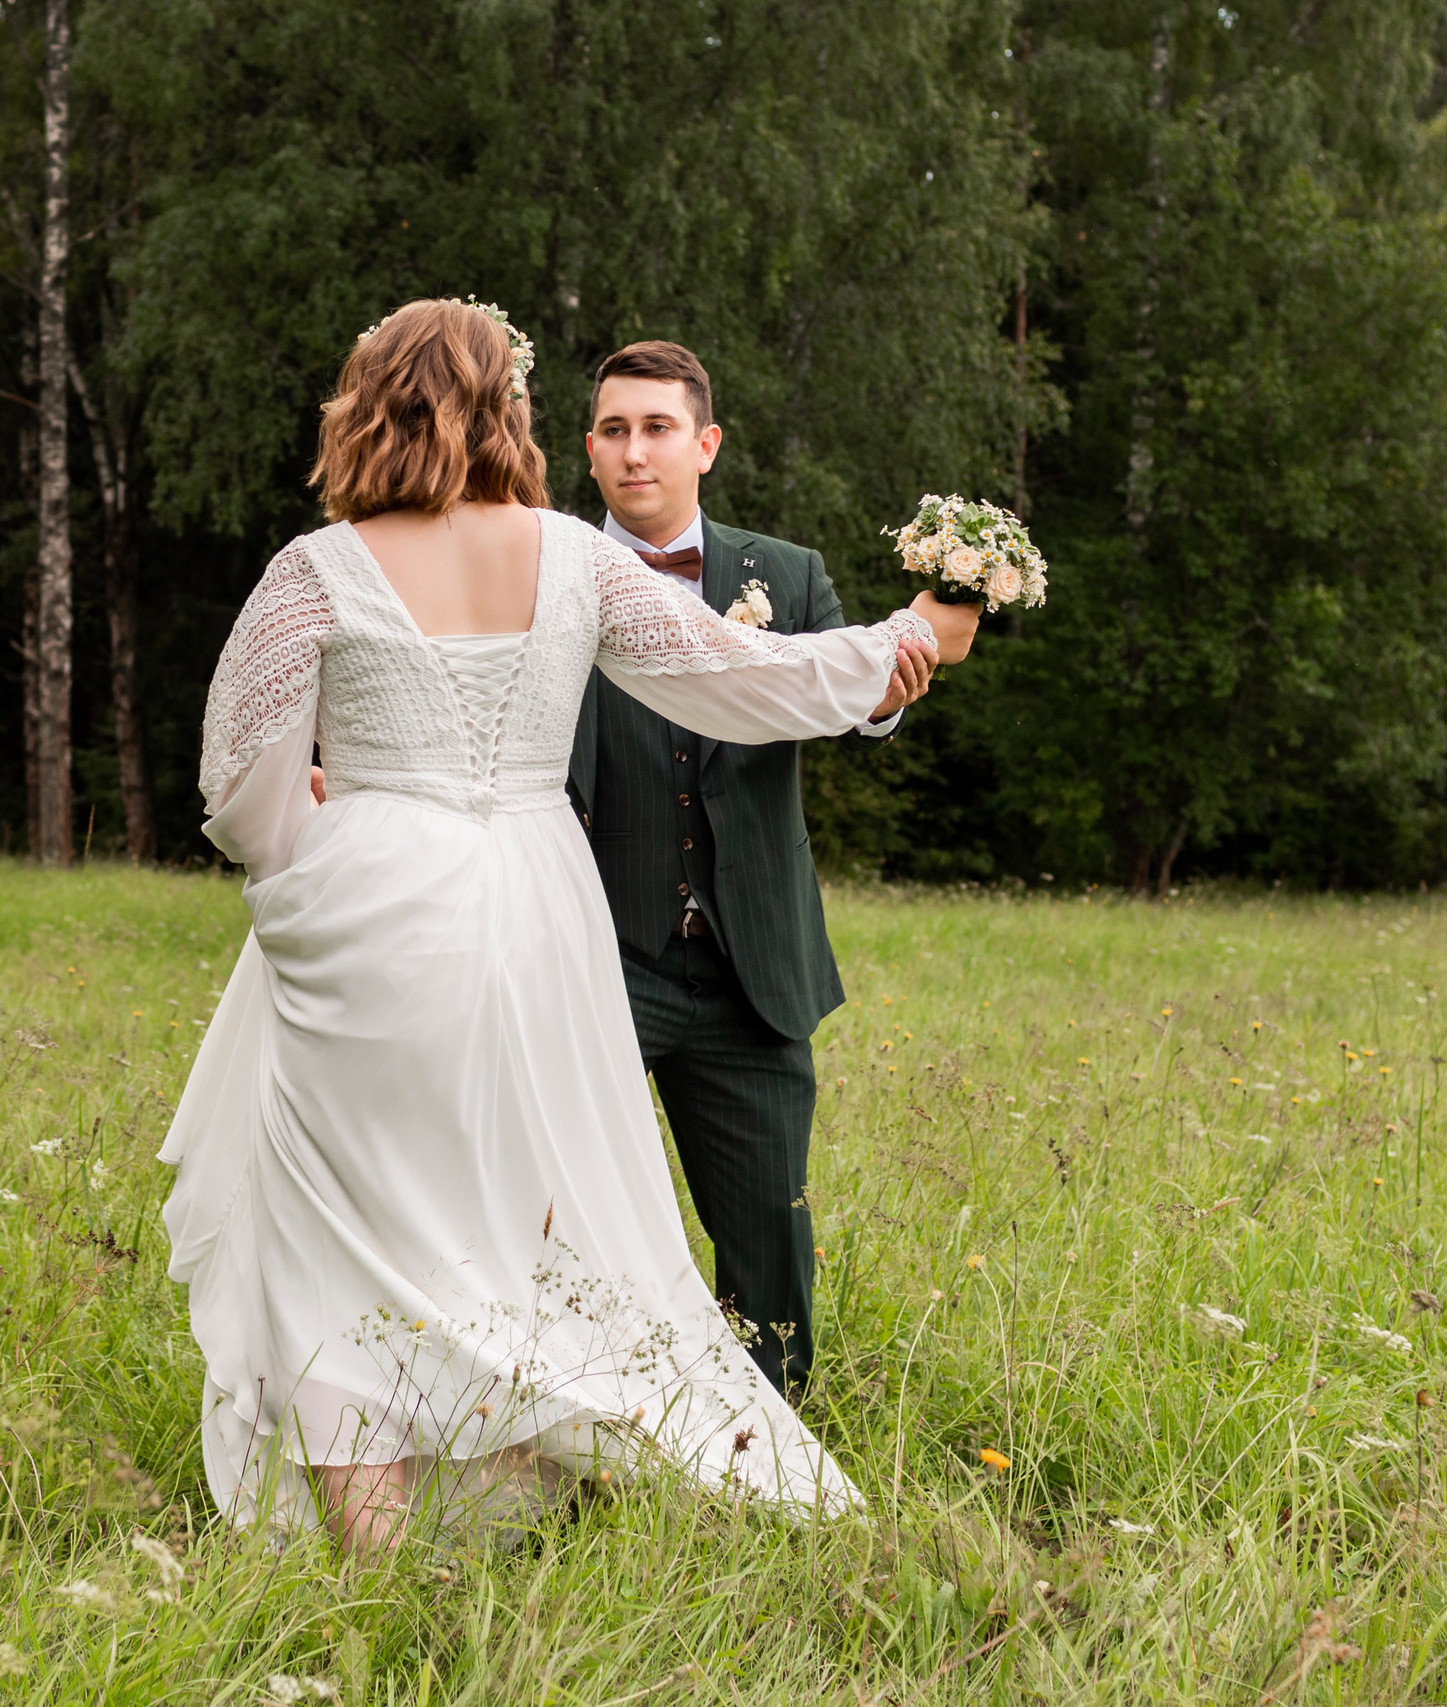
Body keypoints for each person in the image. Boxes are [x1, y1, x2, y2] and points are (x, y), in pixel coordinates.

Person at [157, 298, 972, 1553]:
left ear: (366, 408)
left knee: (340, 1223)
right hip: (543, 905)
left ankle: (377, 1567)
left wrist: (311, 834)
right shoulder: (576, 558)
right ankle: (542, 1474)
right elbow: (745, 680)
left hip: (369, 907)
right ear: (511, 414)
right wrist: (909, 640)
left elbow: (234, 792)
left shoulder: (310, 571)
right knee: (522, 1205)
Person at [569, 342, 981, 1395]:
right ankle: (587, 1421)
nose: (634, 452)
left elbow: (851, 693)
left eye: (657, 428)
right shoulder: (552, 569)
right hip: (594, 953)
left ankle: (770, 1435)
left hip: (753, 961)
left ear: (704, 444)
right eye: (613, 430)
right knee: (568, 1215)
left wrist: (891, 689)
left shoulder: (782, 572)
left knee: (769, 1237)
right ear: (588, 449)